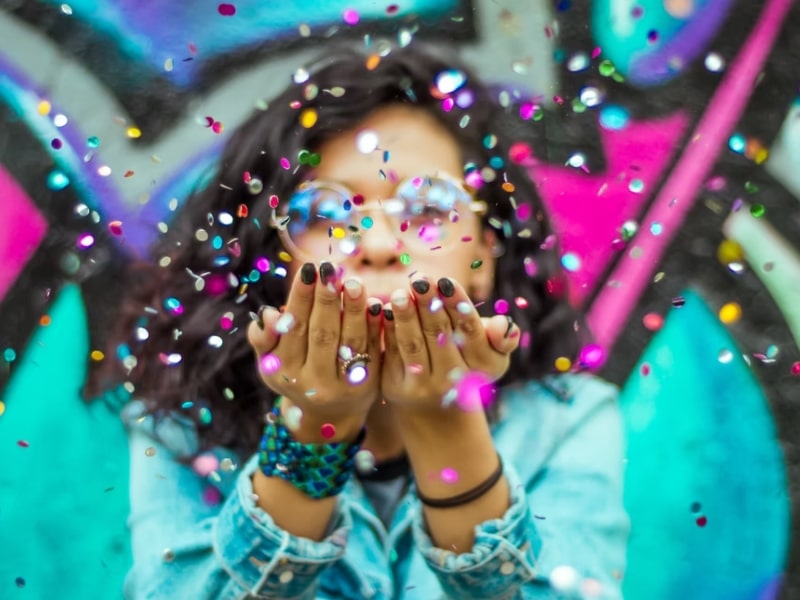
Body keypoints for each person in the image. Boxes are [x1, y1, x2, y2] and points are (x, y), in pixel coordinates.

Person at [92, 41, 630, 599]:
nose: (375, 244)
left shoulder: (566, 423)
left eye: (425, 209)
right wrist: (313, 432)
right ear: (276, 261)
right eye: (325, 213)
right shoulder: (185, 428)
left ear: (484, 258)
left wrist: (446, 425)